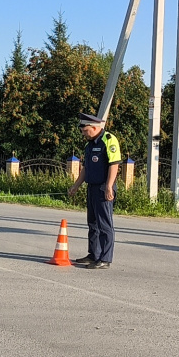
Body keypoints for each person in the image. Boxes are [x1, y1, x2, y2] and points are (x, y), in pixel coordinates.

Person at [67, 112, 121, 269]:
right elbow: (86, 168)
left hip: (104, 187)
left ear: (95, 127)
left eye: (85, 130)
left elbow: (114, 165)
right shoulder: (89, 145)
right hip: (92, 187)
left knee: (104, 224)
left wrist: (109, 186)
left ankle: (105, 258)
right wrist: (76, 185)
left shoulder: (109, 140)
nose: (83, 134)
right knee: (93, 223)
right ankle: (93, 255)